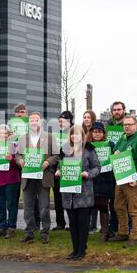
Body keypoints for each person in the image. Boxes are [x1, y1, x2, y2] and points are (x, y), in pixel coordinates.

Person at [56, 125, 100, 260]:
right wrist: (58, 171)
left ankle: (82, 249)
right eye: (72, 134)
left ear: (83, 136)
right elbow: (59, 166)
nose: (74, 137)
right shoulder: (65, 150)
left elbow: (97, 167)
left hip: (84, 192)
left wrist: (88, 173)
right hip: (68, 193)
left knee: (83, 223)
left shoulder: (89, 150)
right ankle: (75, 249)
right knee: (73, 223)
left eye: (77, 134)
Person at [16, 111, 59, 244]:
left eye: (36, 120)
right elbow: (17, 155)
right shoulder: (23, 138)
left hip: (43, 177)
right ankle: (30, 231)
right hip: (28, 177)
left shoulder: (50, 137)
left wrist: (48, 162)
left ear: (41, 122)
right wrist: (20, 161)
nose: (34, 122)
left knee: (44, 206)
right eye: (31, 120)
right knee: (27, 206)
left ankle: (45, 231)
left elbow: (56, 155)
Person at [108, 116, 137, 247]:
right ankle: (123, 232)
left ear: (136, 125)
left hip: (132, 179)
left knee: (133, 209)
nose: (127, 127)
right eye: (125, 125)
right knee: (118, 206)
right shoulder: (123, 138)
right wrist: (116, 152)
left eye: (129, 124)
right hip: (121, 178)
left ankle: (135, 236)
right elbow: (115, 152)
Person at [0, 124, 21, 239]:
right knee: (0, 205)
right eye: (1, 133)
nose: (3, 135)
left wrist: (11, 159)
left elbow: (19, 164)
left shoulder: (14, 146)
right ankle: (2, 227)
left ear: (9, 135)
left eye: (5, 133)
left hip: (11, 180)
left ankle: (11, 228)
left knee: (11, 205)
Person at [10, 103, 41, 230]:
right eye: (18, 112)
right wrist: (10, 140)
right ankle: (24, 225)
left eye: (22, 112)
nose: (20, 114)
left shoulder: (33, 128)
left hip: (31, 165)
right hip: (15, 166)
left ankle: (36, 223)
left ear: (26, 114)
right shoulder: (10, 128)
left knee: (34, 197)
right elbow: (11, 151)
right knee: (22, 198)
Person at [106, 101, 131, 237]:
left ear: (124, 110)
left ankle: (128, 227)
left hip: (124, 165)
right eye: (114, 110)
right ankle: (114, 226)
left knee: (127, 200)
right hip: (111, 166)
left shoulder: (128, 125)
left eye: (119, 109)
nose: (116, 112)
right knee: (114, 200)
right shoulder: (109, 125)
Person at [89, 121, 116, 242]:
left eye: (99, 132)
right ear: (91, 133)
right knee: (90, 205)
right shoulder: (88, 145)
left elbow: (115, 158)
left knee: (104, 206)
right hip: (91, 179)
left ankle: (104, 231)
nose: (97, 134)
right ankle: (87, 229)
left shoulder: (110, 144)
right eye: (95, 132)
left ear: (103, 133)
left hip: (105, 179)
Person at [52, 110, 74, 231]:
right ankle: (60, 223)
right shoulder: (55, 134)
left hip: (70, 168)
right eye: (59, 121)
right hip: (56, 169)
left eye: (63, 121)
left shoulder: (74, 134)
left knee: (71, 197)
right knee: (57, 198)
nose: (61, 123)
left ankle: (72, 223)